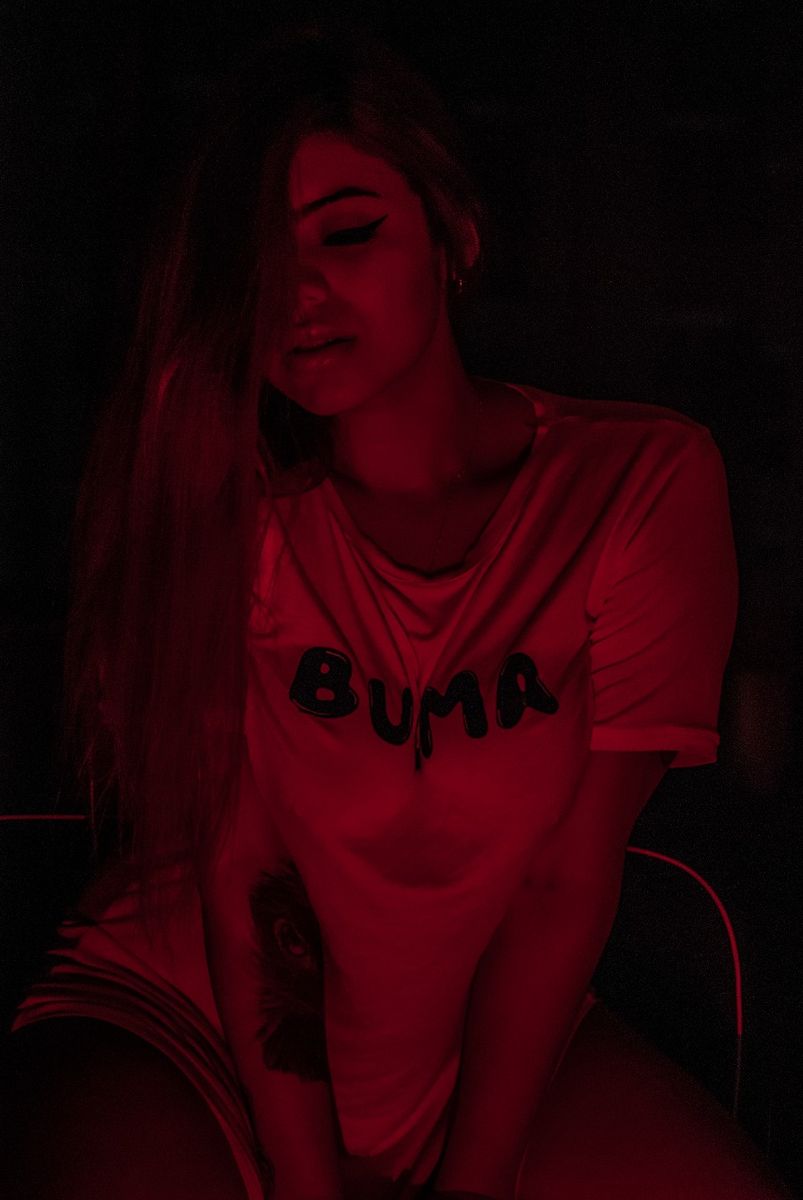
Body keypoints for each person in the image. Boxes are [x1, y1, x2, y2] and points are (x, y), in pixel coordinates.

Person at [4, 18, 794, 1200]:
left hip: (472, 1054)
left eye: (349, 232)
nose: (297, 292)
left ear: (453, 236)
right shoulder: (238, 513)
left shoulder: (637, 484)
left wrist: (468, 1181)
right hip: (188, 1026)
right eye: (255, 260)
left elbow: (563, 882)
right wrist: (309, 1187)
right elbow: (249, 877)